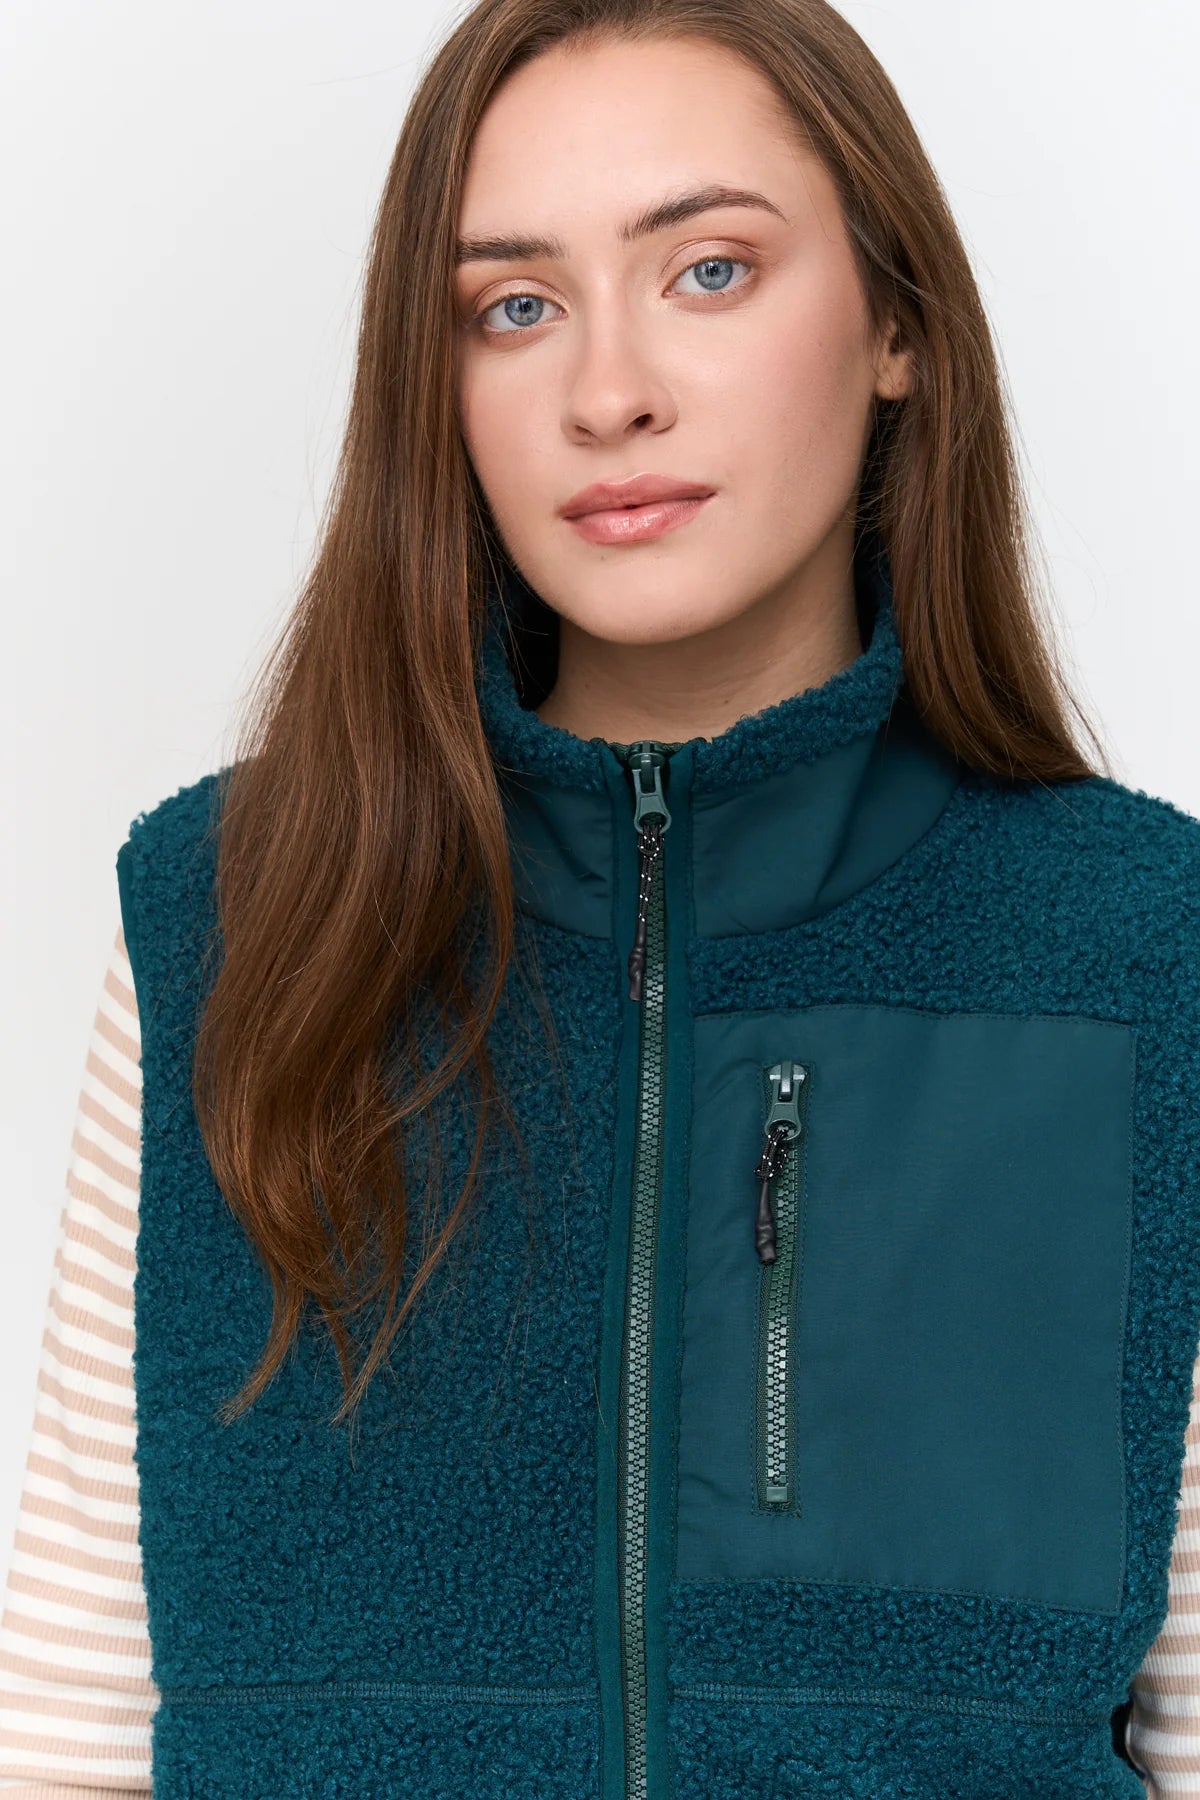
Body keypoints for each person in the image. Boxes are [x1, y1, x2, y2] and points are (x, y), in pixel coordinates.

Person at [2, 0, 1198, 1794]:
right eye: (514, 305)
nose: (607, 391)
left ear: (897, 325)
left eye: (709, 271)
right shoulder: (237, 918)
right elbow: (71, 1735)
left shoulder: (1134, 945)